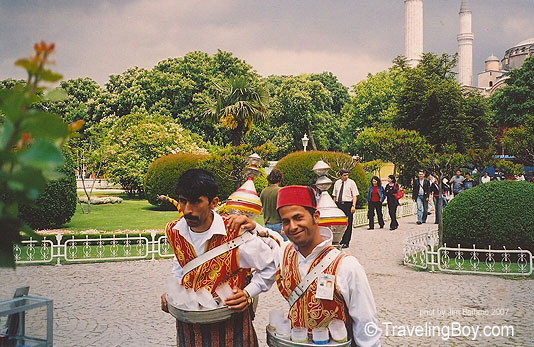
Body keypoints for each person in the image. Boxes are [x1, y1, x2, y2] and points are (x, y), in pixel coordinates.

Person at [240, 185, 382, 346]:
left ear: (316, 216)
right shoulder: (284, 253)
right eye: (286, 221)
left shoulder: (347, 266)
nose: (292, 226)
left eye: (298, 218)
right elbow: (274, 241)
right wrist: (255, 227)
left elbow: (366, 323)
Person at [160, 169, 277, 347]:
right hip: (189, 329)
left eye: (196, 202)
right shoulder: (174, 230)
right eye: (183, 201)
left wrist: (248, 293)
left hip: (231, 326)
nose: (187, 210)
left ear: (213, 203)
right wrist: (174, 290)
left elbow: (270, 265)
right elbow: (180, 262)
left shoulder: (235, 232)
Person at [332, 169, 359, 247]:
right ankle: (339, 239)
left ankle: (346, 241)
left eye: (347, 175)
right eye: (344, 175)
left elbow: (354, 195)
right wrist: (334, 206)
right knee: (339, 223)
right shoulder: (337, 183)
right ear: (340, 175)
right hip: (339, 204)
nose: (346, 176)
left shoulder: (351, 183)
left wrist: (353, 205)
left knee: (348, 223)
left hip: (348, 204)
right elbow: (335, 195)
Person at [260, 168, 285, 240]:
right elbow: (283, 209)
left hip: (267, 225)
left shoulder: (264, 191)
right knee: (285, 246)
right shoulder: (281, 191)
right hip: (279, 225)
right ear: (280, 178)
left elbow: (261, 207)